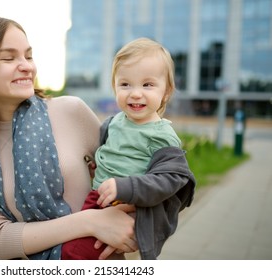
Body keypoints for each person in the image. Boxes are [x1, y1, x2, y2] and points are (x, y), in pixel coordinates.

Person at [0, 16, 138, 260]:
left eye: (28, 56)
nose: (26, 66)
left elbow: (135, 175)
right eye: (9, 58)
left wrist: (131, 222)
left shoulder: (71, 111)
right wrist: (89, 222)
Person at [61, 38, 196, 260]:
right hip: (97, 199)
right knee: (81, 248)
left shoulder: (162, 136)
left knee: (75, 253)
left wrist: (126, 186)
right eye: (125, 84)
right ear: (114, 86)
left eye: (147, 85)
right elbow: (110, 153)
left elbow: (170, 178)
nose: (135, 93)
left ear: (167, 91)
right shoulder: (112, 123)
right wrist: (98, 166)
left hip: (126, 205)